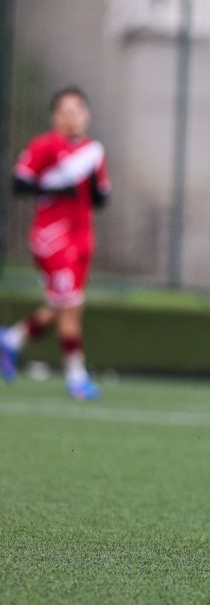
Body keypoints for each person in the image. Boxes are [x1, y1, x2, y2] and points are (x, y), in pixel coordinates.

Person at [1, 86, 110, 400]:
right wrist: (54, 188)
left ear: (87, 116)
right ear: (55, 117)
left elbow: (101, 198)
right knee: (70, 307)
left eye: (77, 111)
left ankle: (11, 340)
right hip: (53, 237)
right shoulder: (44, 146)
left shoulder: (93, 152)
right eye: (65, 111)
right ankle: (77, 377)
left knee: (64, 304)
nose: (71, 117)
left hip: (83, 237)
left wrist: (95, 187)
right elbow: (20, 183)